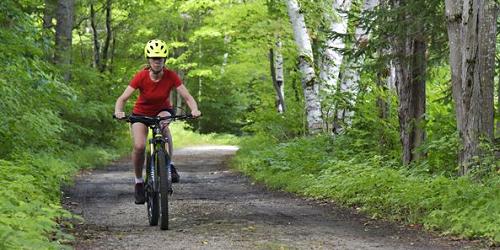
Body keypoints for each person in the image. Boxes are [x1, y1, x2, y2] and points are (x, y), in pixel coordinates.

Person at [114, 39, 201, 204]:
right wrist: (119, 111)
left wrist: (194, 109)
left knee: (164, 126)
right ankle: (139, 182)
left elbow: (187, 97)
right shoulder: (140, 77)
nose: (157, 61)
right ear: (148, 59)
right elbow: (122, 98)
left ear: (164, 60)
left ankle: (169, 164)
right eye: (154, 58)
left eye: (160, 58)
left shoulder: (171, 76)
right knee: (139, 146)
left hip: (162, 110)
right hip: (141, 113)